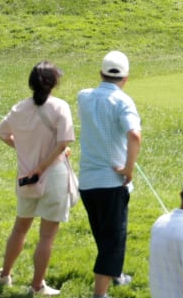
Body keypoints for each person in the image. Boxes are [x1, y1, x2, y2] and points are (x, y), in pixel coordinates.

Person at [0, 62, 77, 296]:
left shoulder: (19, 108)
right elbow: (63, 143)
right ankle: (37, 286)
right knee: (46, 236)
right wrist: (43, 165)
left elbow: (0, 132)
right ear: (54, 83)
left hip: (26, 175)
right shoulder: (60, 107)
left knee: (20, 228)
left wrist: (24, 149)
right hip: (53, 175)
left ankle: (4, 274)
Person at [77, 49, 141, 296]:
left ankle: (116, 275)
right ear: (125, 79)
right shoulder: (124, 101)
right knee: (113, 242)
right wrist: (128, 168)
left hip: (87, 182)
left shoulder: (84, 97)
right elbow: (134, 135)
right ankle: (99, 294)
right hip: (112, 182)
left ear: (100, 74)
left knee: (104, 236)